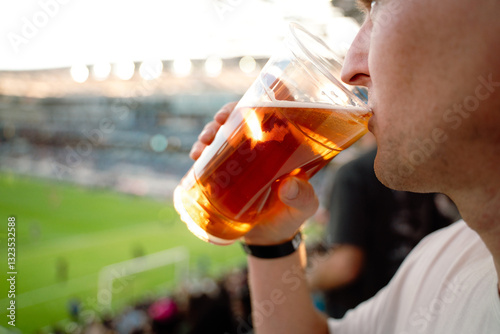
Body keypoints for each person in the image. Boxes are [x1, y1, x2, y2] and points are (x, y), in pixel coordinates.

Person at [190, 0, 500, 333]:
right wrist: (271, 241)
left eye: (379, 7)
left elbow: (346, 264)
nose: (350, 69)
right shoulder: (446, 261)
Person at [307, 147, 455, 318]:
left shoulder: (353, 173)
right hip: (416, 307)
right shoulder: (423, 165)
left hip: (365, 316)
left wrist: (295, 282)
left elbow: (345, 266)